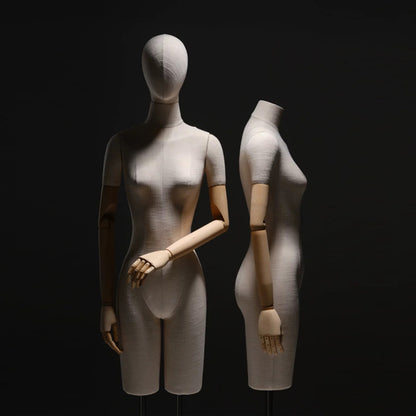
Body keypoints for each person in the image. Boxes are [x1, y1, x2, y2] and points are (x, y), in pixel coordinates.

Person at [98, 34, 229, 396]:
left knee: (184, 393)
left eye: (172, 65)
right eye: (155, 66)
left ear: (185, 72)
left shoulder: (207, 144)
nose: (164, 72)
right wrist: (106, 303)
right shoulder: (121, 144)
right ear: (143, 72)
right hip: (133, 285)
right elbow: (105, 223)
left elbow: (222, 219)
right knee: (138, 393)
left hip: (186, 283)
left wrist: (168, 253)